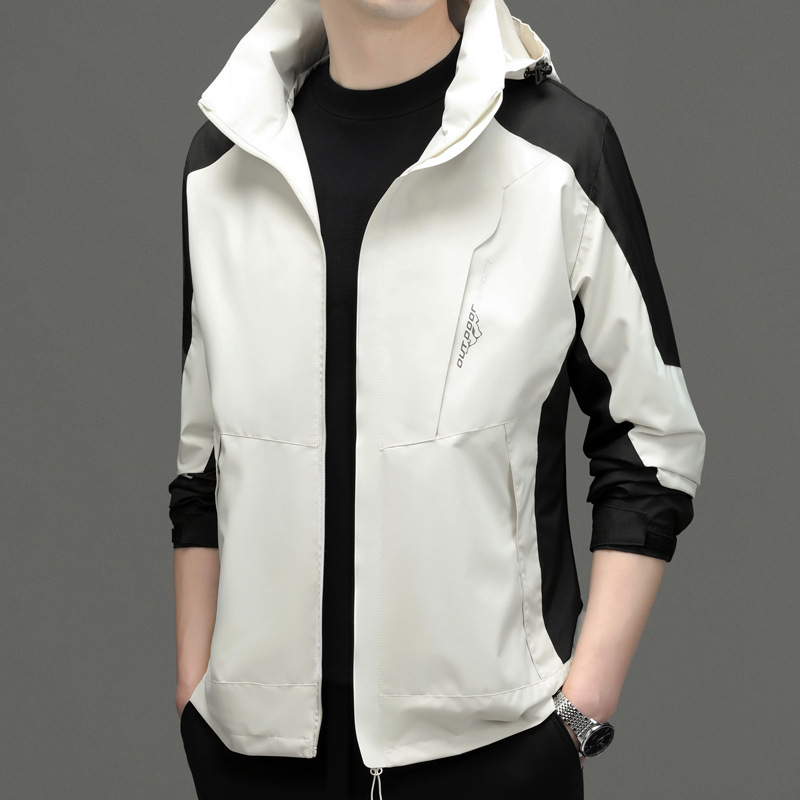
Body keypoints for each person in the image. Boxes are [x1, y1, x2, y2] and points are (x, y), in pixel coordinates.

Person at [167, 0, 706, 798]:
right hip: (254, 762)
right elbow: (204, 462)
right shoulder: (226, 161)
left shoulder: (556, 153)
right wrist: (197, 695)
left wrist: (581, 707)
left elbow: (652, 440)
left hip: (493, 755)